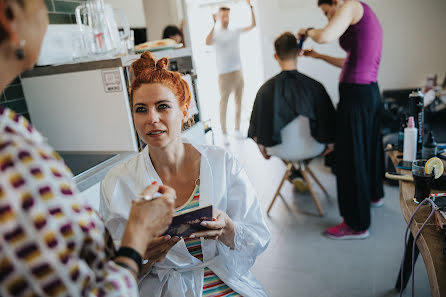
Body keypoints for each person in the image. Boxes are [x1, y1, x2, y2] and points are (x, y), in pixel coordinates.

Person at [0, 1, 176, 296]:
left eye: (163, 107)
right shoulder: (11, 150)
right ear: (9, 14)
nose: (153, 119)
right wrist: (136, 237)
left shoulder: (14, 132)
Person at [100, 51, 270, 297]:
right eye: (141, 109)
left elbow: (258, 238)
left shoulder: (221, 162)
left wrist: (227, 228)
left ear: (185, 109)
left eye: (162, 107)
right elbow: (113, 274)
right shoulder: (117, 183)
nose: (152, 119)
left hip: (230, 286)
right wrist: (144, 255)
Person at [298, 0, 384, 239]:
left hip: (355, 98)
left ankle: (356, 224)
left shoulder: (351, 6)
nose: (328, 19)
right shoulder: (366, 13)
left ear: (335, 2)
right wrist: (318, 57)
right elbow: (350, 60)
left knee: (350, 159)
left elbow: (325, 35)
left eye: (327, 12)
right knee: (367, 150)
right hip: (369, 93)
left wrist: (307, 32)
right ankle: (374, 195)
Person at [248, 32, 335, 162]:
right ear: (299, 53)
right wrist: (330, 144)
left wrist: (262, 147)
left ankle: (295, 174)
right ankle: (298, 171)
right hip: (313, 147)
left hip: (278, 149)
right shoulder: (316, 87)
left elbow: (256, 132)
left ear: (276, 56)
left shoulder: (264, 90)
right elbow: (330, 128)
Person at [205, 0, 256, 143]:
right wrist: (213, 24)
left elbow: (253, 25)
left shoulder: (234, 31)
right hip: (224, 73)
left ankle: (237, 129)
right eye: (223, 16)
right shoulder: (216, 34)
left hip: (237, 71)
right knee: (224, 102)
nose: (226, 19)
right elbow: (207, 42)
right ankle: (224, 133)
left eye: (227, 16)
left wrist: (250, 7)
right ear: (219, 17)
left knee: (239, 102)